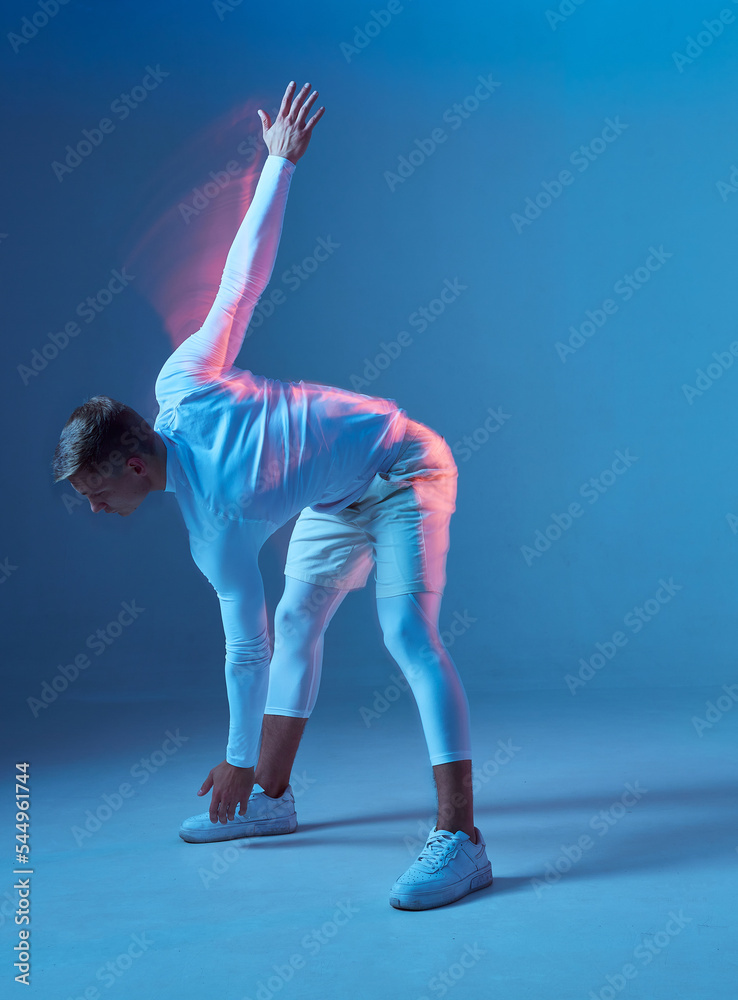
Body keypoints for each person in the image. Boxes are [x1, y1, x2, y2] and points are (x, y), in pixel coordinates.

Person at [51, 81, 492, 910]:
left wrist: (278, 165)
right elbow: (246, 651)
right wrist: (239, 759)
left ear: (132, 465)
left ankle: (462, 841)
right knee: (293, 622)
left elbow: (238, 285)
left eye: (92, 488)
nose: (90, 505)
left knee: (404, 631)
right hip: (334, 499)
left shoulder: (184, 387)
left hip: (403, 469)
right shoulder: (209, 531)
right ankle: (273, 802)